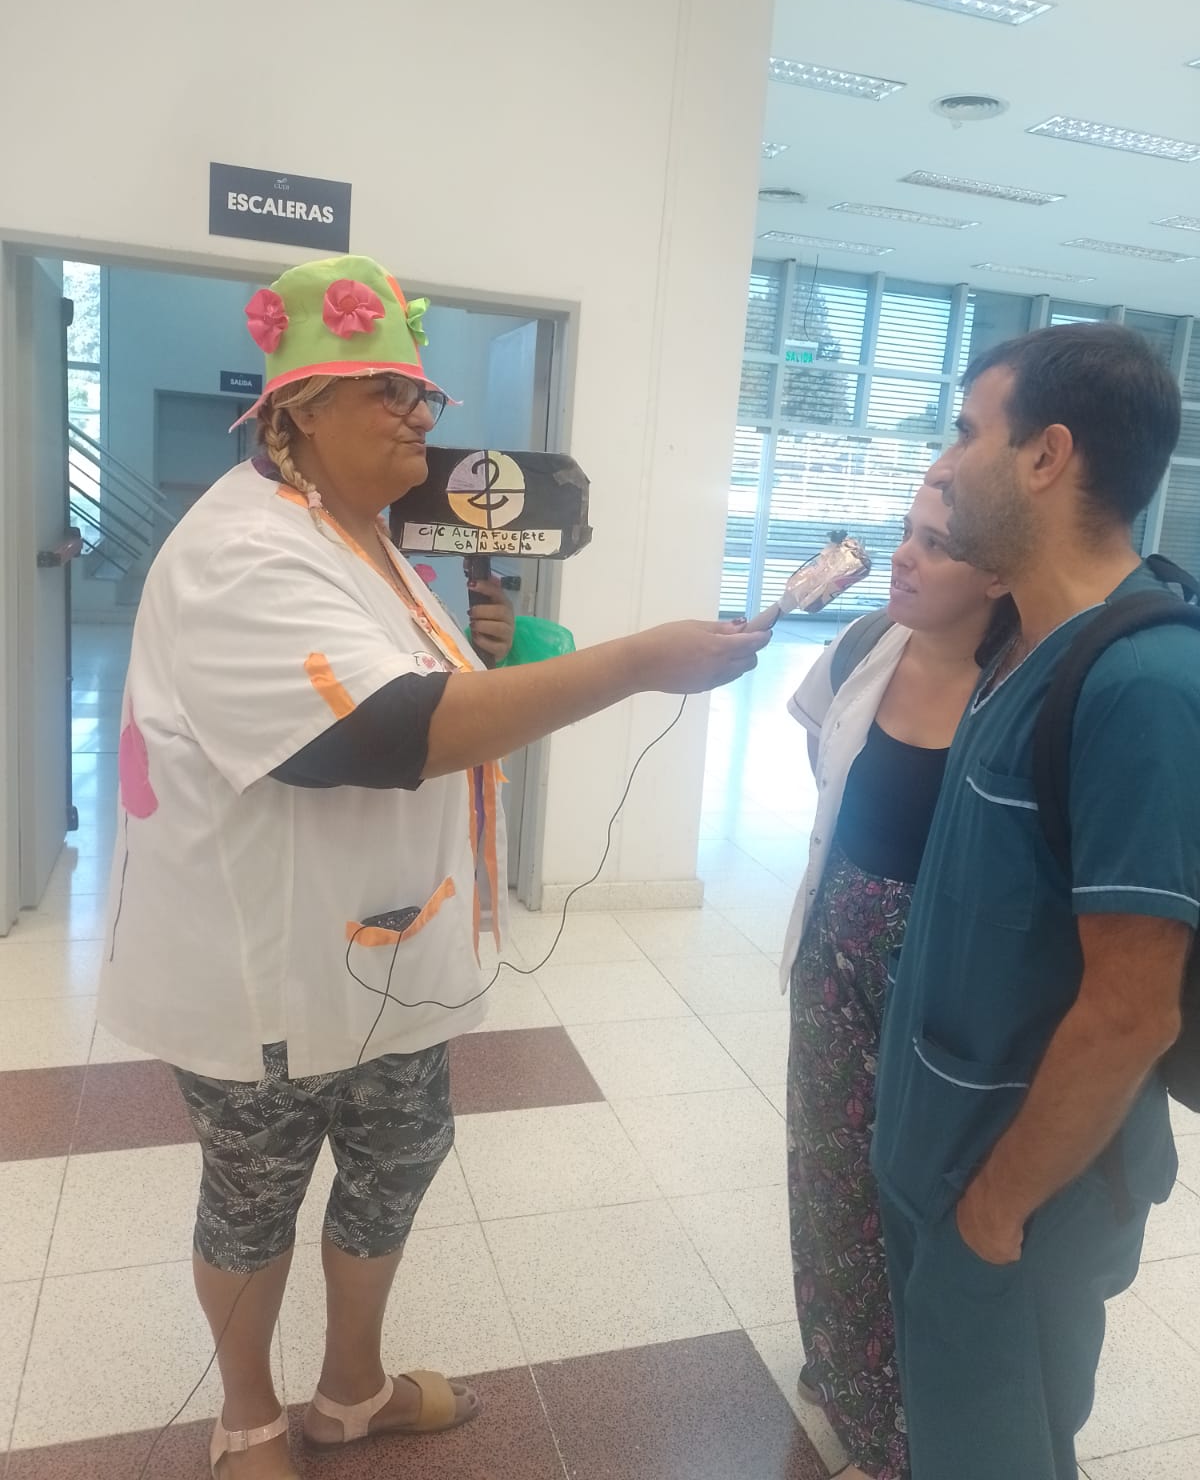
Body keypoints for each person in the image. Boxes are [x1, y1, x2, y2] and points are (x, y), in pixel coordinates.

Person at [96, 253, 768, 1480]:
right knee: (253, 1197)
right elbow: (376, 730)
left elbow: (420, 679)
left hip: (391, 944)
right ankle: (247, 1416)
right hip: (264, 965)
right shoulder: (244, 549)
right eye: (389, 391)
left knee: (397, 1161)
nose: (421, 413)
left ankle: (351, 1392)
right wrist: (632, 662)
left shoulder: (364, 533)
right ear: (301, 409)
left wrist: (492, 649)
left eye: (425, 394)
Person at [871, 323, 1198, 1480]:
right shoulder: (1020, 649)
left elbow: (1132, 1011)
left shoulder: (1144, 685)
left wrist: (994, 1214)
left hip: (1023, 1201)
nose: (944, 464)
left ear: (1048, 455)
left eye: (968, 432)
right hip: (944, 1159)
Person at [783, 485, 1012, 1480]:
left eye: (938, 546)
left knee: (926, 1189)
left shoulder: (1023, 683)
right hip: (835, 949)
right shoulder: (867, 641)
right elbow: (821, 743)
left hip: (948, 979)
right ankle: (848, 1376)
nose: (906, 558)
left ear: (998, 574)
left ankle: (922, 1417)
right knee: (830, 1170)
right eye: (907, 536)